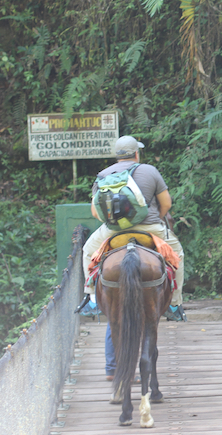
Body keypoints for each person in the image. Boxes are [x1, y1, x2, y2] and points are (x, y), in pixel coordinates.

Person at [80, 136, 186, 323]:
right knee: (177, 254)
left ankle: (92, 298)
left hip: (114, 231)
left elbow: (96, 213)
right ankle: (174, 304)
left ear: (117, 155)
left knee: (88, 251)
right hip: (151, 229)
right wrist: (156, 219)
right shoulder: (150, 171)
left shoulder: (103, 175)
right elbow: (166, 204)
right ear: (136, 153)